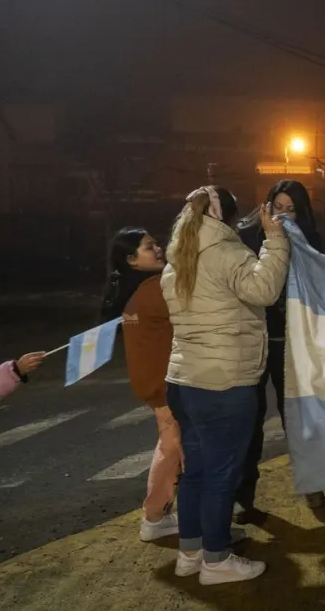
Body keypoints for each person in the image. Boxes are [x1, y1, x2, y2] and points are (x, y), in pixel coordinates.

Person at [161, 185, 289, 585]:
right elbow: (264, 290)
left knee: (196, 470)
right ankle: (216, 560)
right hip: (223, 382)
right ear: (227, 219)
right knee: (219, 474)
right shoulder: (226, 252)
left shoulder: (176, 258)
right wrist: (275, 239)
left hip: (182, 381)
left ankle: (192, 549)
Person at [234, 180, 325, 524]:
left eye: (292, 209)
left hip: (294, 347)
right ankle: (243, 498)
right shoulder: (246, 238)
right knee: (248, 421)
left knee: (298, 419)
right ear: (266, 208)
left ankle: (313, 484)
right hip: (253, 343)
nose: (284, 216)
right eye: (279, 208)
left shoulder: (311, 244)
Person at [100, 227, 181, 542]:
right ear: (132, 259)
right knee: (177, 450)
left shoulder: (129, 293)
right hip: (166, 384)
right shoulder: (155, 290)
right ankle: (157, 517)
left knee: (170, 446)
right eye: (149, 247)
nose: (158, 249)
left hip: (151, 383)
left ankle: (157, 515)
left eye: (156, 244)